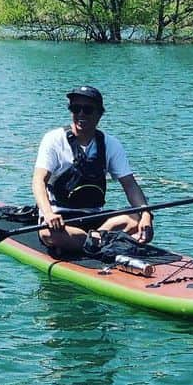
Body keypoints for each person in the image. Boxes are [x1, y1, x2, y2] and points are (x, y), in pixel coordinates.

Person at [31, 85, 153, 258]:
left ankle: (93, 240)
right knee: (47, 234)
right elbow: (38, 181)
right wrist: (48, 213)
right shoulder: (53, 139)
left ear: (99, 114)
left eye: (87, 110)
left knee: (136, 218)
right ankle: (105, 241)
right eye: (75, 109)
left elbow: (130, 185)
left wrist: (146, 214)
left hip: (95, 218)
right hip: (61, 219)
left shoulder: (111, 144)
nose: (80, 114)